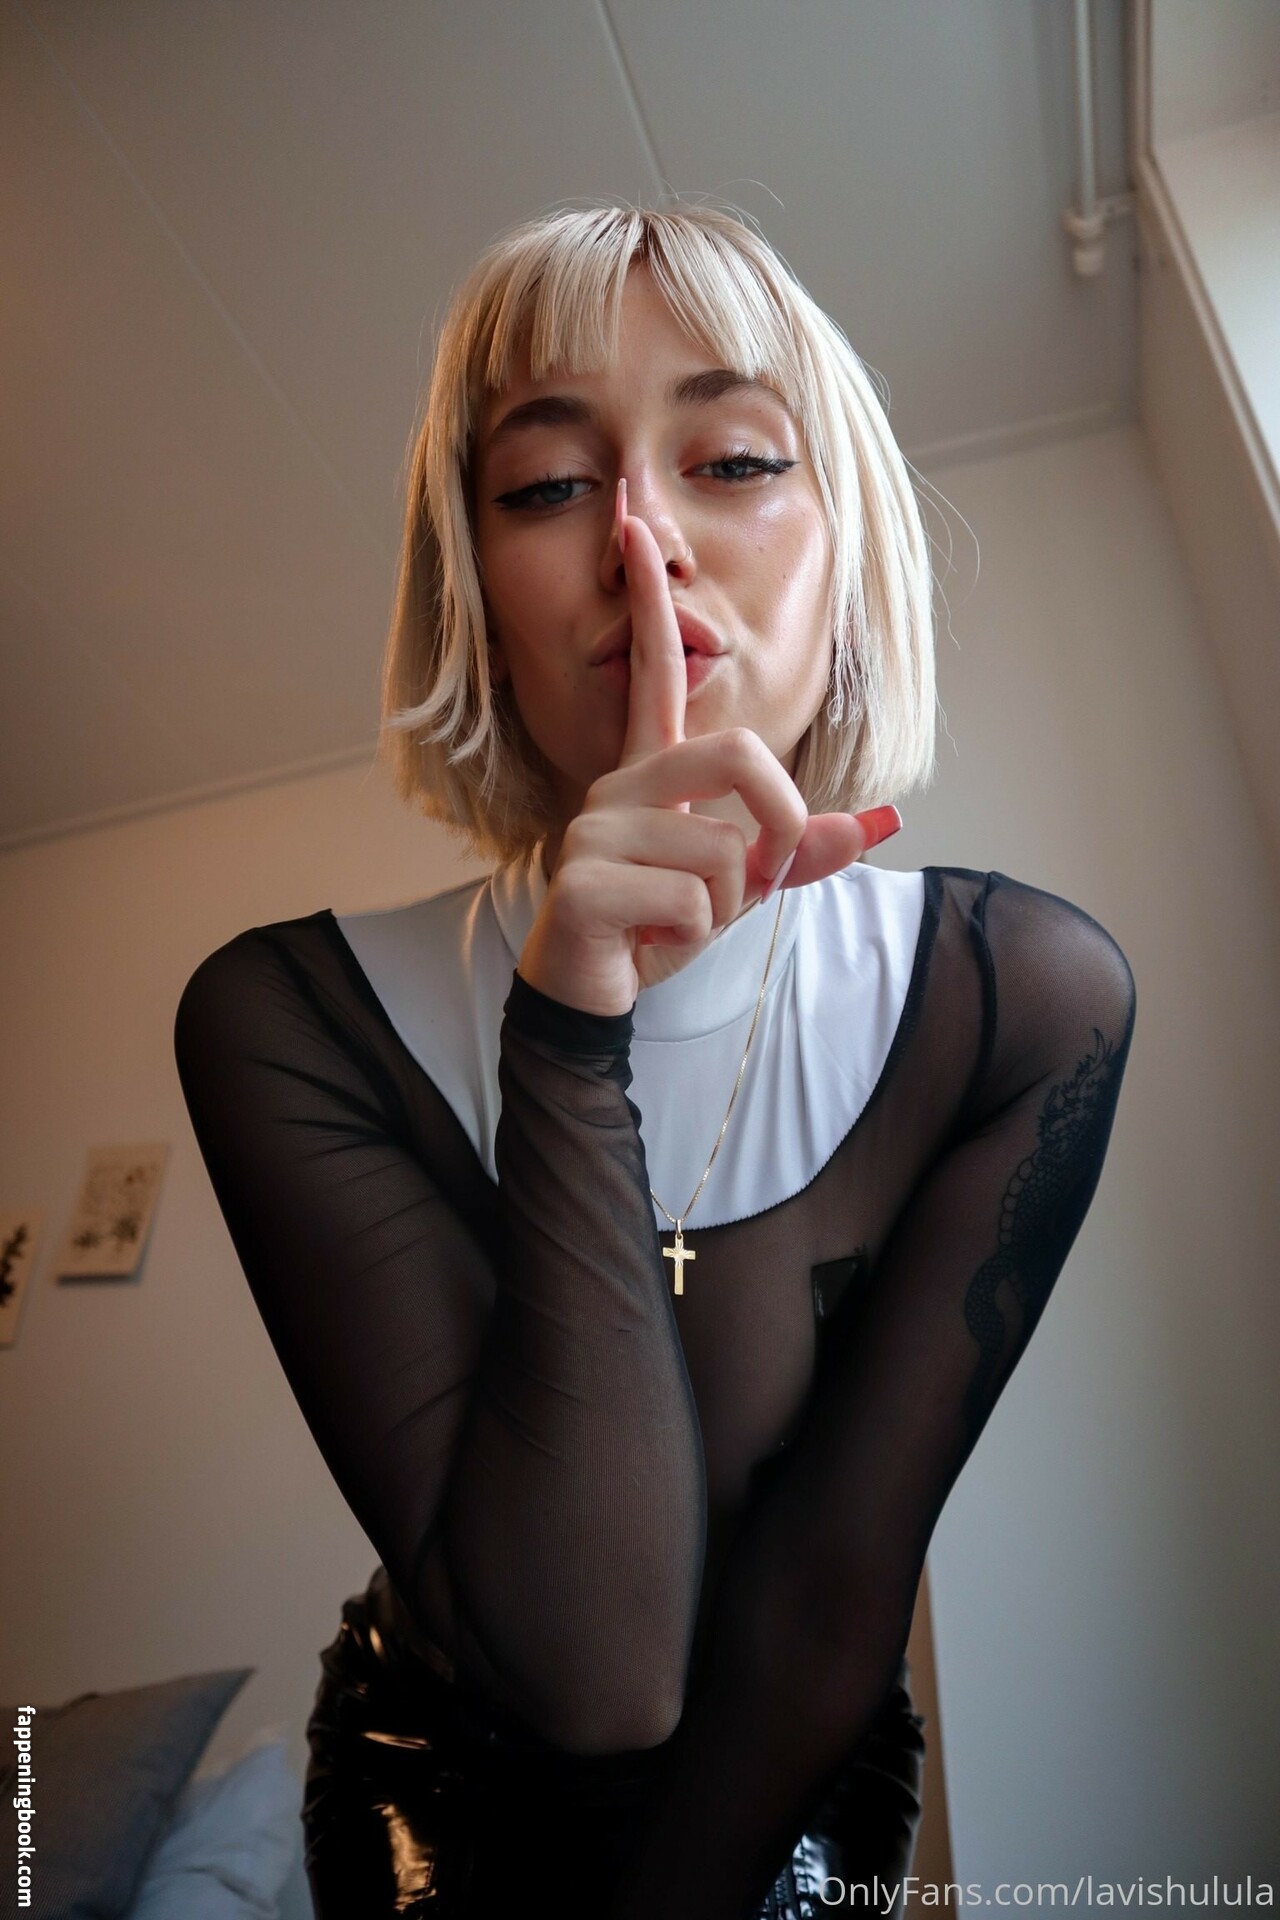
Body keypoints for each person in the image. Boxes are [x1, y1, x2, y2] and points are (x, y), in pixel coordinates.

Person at [173, 202, 1137, 1920]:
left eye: (737, 461)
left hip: (800, 1784)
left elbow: (826, 1602)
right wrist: (568, 1030)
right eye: (548, 486)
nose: (643, 544)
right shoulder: (283, 1018)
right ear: (475, 597)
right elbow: (594, 1670)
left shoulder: (1019, 1001)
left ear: (847, 559)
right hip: (427, 1791)